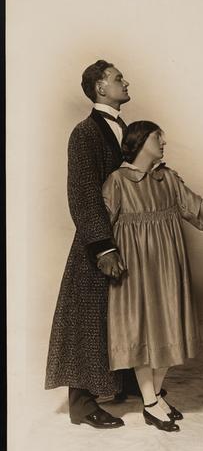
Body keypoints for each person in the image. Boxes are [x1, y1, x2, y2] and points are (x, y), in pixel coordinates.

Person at [102, 120, 203, 432]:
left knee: (169, 325)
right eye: (159, 137)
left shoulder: (167, 178)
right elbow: (100, 227)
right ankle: (150, 403)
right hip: (133, 271)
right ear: (142, 141)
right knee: (141, 331)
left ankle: (154, 397)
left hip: (167, 267)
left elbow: (197, 208)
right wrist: (105, 259)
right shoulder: (117, 181)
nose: (164, 142)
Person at [45, 60, 136, 428]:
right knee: (87, 319)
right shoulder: (84, 133)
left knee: (123, 310)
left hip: (127, 235)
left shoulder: (122, 127)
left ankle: (123, 381)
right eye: (118, 78)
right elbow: (83, 194)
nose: (126, 82)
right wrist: (102, 247)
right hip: (98, 240)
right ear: (100, 88)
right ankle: (82, 406)